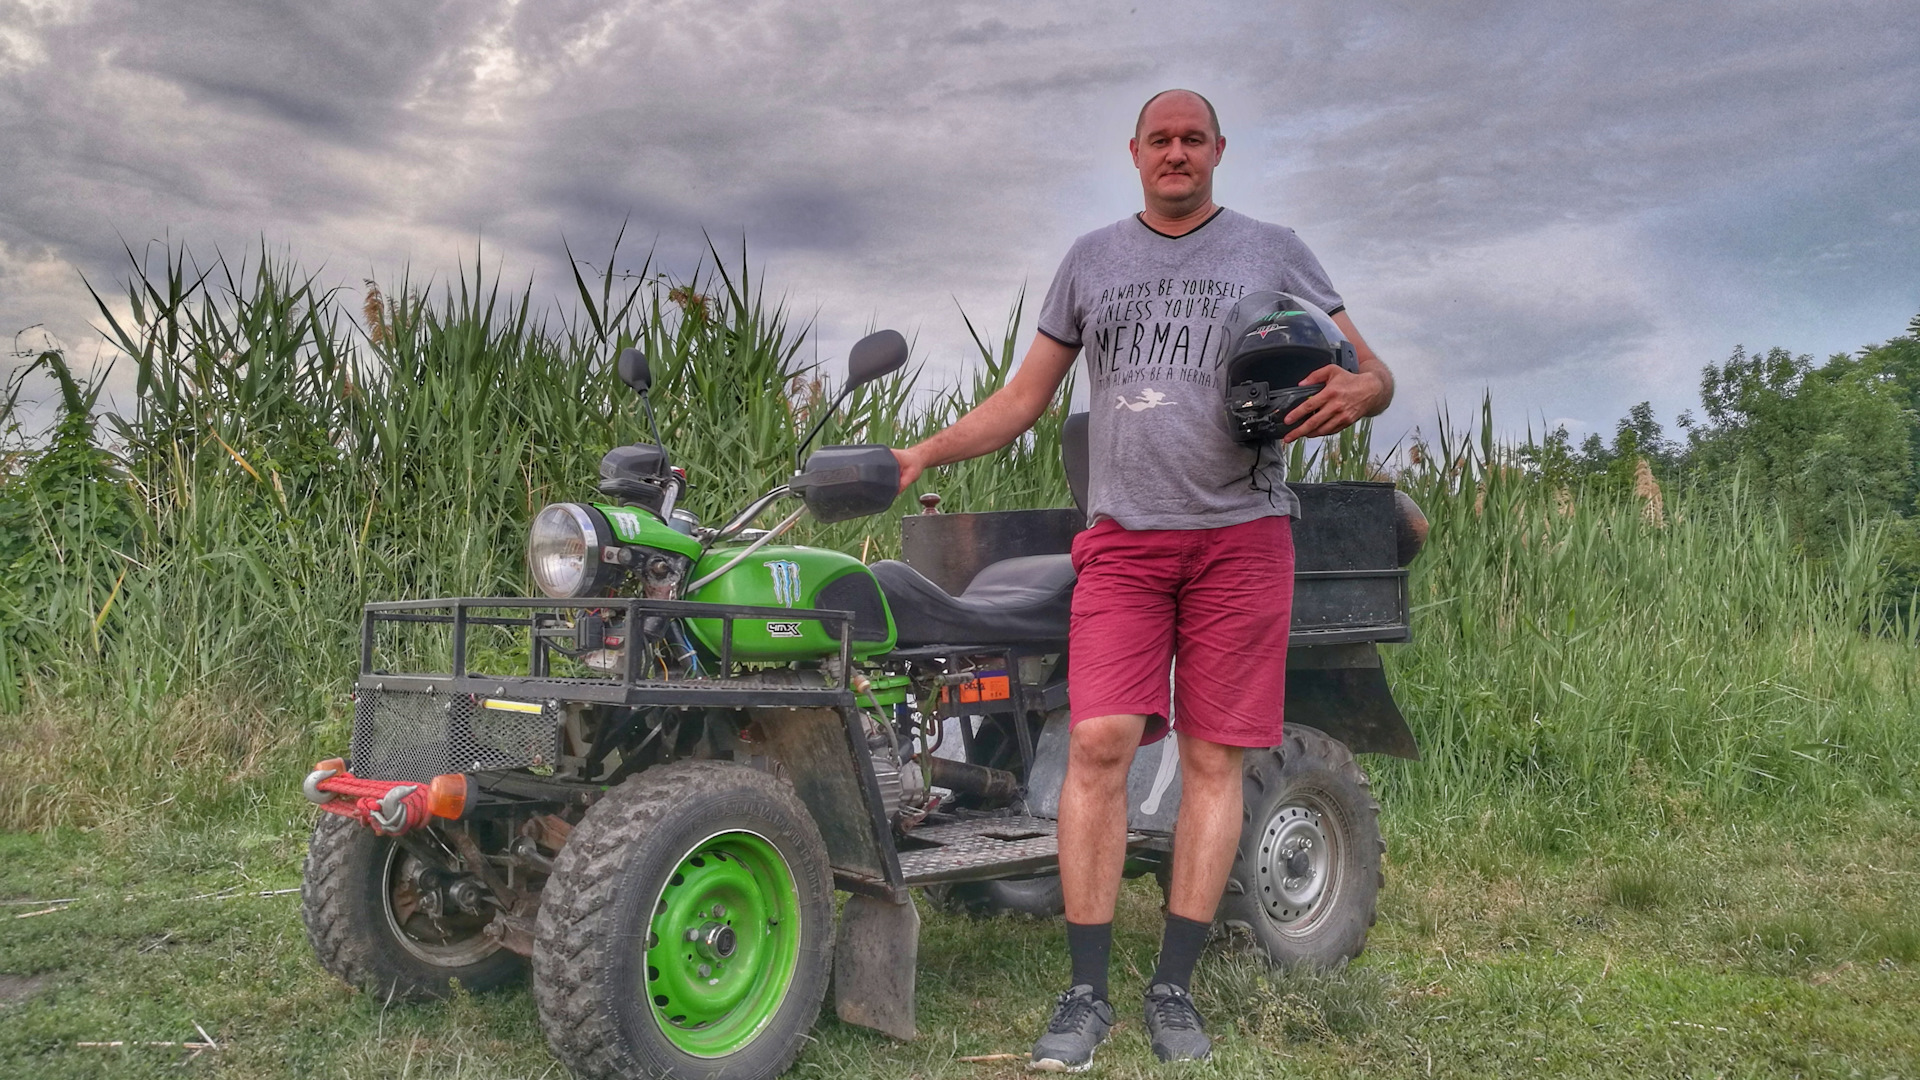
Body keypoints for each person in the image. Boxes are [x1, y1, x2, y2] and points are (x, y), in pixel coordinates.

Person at [892, 88, 1394, 1069]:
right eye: (1159, 140)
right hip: (1123, 544)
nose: (1176, 153)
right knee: (1100, 742)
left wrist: (1363, 387)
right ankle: (1085, 995)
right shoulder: (1090, 260)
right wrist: (925, 453)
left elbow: (1370, 370)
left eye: (1192, 139)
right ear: (1134, 153)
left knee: (1214, 761)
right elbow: (1023, 399)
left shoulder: (1274, 247)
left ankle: (1172, 989)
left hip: (1242, 540)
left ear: (1218, 150)